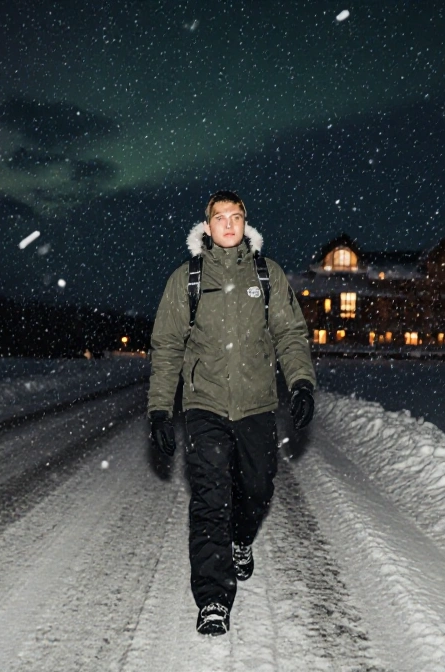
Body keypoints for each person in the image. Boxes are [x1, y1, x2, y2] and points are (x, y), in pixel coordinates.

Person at [147, 190, 317, 636]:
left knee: (257, 488)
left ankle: (242, 539)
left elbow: (290, 334)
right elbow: (166, 347)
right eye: (219, 218)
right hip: (204, 405)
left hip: (257, 404)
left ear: (245, 223)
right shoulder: (186, 279)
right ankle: (214, 600)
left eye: (235, 217)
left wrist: (301, 383)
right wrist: (160, 410)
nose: (227, 225)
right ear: (207, 227)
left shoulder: (267, 275)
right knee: (210, 499)